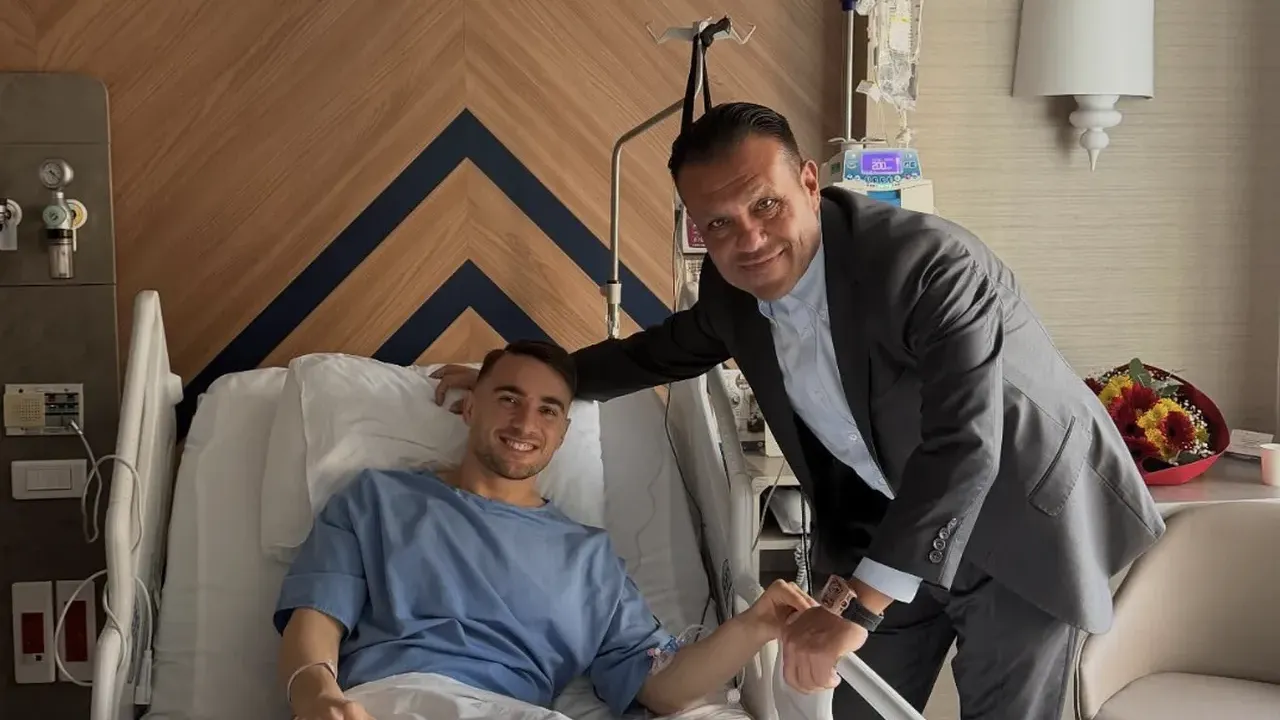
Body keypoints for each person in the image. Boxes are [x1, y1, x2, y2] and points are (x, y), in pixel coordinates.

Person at [432, 103, 1168, 719]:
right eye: (718, 224)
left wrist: (862, 609)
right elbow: (656, 354)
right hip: (891, 522)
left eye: (764, 205)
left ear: (810, 183)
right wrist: (530, 382)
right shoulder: (731, 294)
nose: (748, 240)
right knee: (851, 706)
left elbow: (964, 446)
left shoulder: (929, 267)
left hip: (1018, 523)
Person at [274, 339, 816, 720]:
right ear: (470, 407)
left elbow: (660, 689)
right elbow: (316, 617)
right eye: (508, 398)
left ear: (562, 433)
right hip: (389, 701)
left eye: (548, 410)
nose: (525, 423)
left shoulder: (589, 558)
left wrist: (754, 626)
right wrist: (316, 694)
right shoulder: (378, 500)